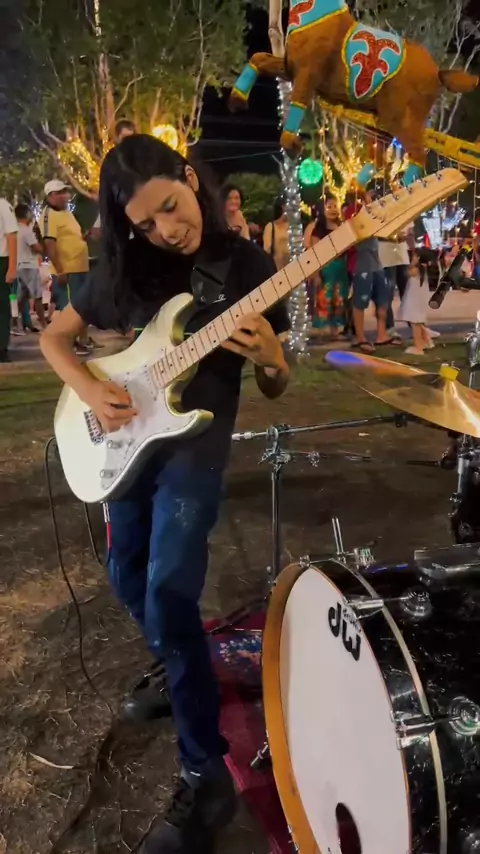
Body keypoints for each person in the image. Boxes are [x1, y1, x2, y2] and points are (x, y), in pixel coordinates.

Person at [40, 134, 290, 854]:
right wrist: (91, 388)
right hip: (127, 440)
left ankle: (204, 773)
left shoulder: (247, 266)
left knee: (170, 589)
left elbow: (276, 383)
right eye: (145, 224)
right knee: (126, 573)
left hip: (193, 449)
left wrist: (273, 357)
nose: (166, 230)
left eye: (171, 208)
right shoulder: (131, 264)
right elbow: (57, 338)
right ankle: (177, 662)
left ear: (188, 177)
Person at [39, 180, 90, 355]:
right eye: (60, 193)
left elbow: (70, 237)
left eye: (65, 192)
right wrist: (60, 270)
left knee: (81, 307)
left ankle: (82, 341)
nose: (65, 196)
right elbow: (49, 244)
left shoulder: (67, 213)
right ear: (50, 196)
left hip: (80, 267)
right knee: (69, 309)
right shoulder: (48, 215)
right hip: (67, 270)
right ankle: (68, 344)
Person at [344, 190, 397, 353]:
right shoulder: (353, 211)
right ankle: (360, 337)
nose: (372, 199)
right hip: (362, 264)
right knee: (360, 302)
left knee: (383, 300)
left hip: (376, 263)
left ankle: (382, 335)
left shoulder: (374, 212)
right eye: (368, 196)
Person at [304, 195, 350, 337]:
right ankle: (323, 330)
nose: (333, 209)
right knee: (325, 299)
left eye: (335, 206)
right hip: (326, 269)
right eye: (329, 207)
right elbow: (314, 254)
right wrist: (316, 274)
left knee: (340, 298)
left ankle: (336, 329)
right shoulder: (318, 231)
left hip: (341, 268)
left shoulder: (343, 227)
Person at [90, 119, 138, 239]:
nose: (128, 142)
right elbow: (106, 193)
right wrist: (99, 222)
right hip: (121, 227)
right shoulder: (112, 161)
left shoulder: (143, 158)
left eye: (132, 137)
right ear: (117, 138)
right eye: (125, 138)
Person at [15, 203, 47, 331]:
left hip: (18, 266)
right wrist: (43, 247)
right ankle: (43, 323)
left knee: (20, 297)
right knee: (37, 296)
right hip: (29, 266)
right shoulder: (26, 230)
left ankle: (12, 322)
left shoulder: (14, 230)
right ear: (27, 214)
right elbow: (36, 247)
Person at [398, 250, 434, 355]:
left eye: (414, 256)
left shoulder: (416, 269)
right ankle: (427, 340)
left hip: (414, 300)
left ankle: (418, 347)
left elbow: (406, 273)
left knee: (415, 323)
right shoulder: (424, 269)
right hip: (419, 299)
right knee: (419, 322)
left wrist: (412, 264)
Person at [0, 196, 18, 362]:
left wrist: (12, 267)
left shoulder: (3, 206)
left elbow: (12, 236)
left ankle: (1, 348)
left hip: (1, 260)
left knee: (2, 307)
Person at [263, 197, 290, 271]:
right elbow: (267, 250)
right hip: (276, 269)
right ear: (283, 207)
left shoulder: (292, 227)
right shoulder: (271, 227)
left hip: (292, 267)